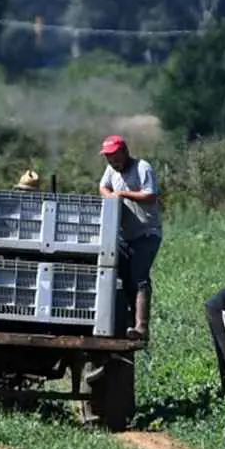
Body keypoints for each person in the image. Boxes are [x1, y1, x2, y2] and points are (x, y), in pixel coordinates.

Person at [98, 134, 162, 340]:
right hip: (125, 236)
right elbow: (103, 186)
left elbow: (150, 195)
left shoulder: (142, 167)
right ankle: (127, 325)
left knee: (139, 277)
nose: (112, 162)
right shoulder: (111, 170)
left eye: (115, 157)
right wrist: (109, 196)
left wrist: (123, 195)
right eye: (108, 158)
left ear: (125, 152)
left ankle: (142, 327)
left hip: (147, 233)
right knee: (123, 278)